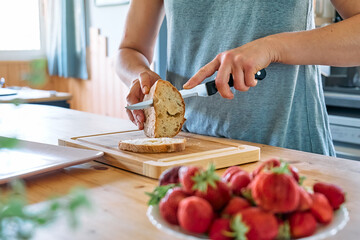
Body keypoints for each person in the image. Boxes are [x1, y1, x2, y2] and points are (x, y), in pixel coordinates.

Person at [116, 0, 360, 156]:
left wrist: (273, 47)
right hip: (188, 154)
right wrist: (140, 75)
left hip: (288, 155)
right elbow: (129, 49)